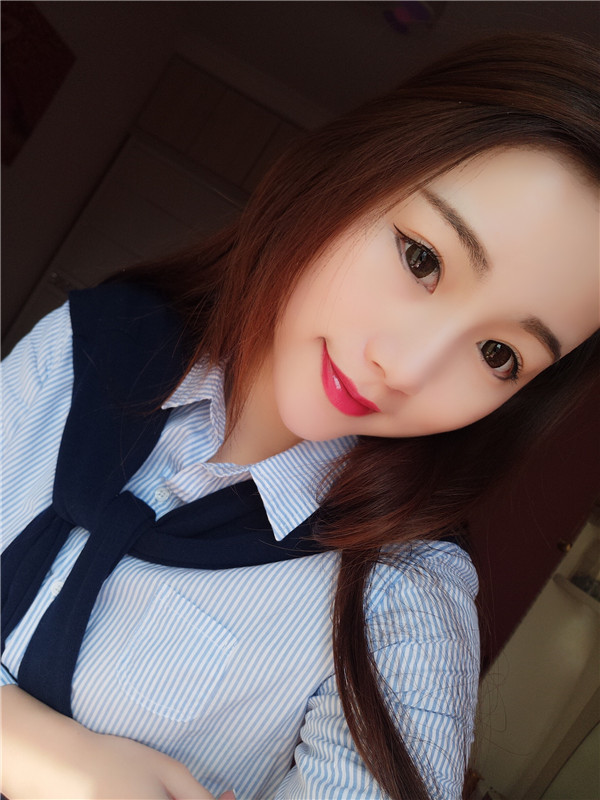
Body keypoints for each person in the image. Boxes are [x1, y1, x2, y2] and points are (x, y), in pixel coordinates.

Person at [1, 31, 599, 800]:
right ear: (349, 173)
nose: (407, 368)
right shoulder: (95, 344)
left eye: (498, 354)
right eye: (422, 258)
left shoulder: (402, 602)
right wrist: (65, 766)